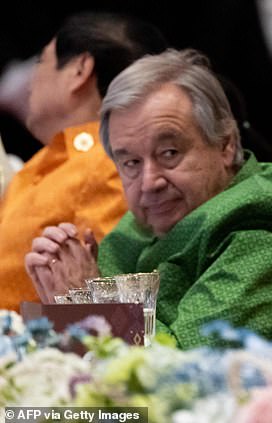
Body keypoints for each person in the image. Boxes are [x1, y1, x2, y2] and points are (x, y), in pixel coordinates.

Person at [25, 49, 272, 349]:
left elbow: (189, 371)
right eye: (131, 163)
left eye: (169, 154)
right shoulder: (141, 225)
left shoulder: (261, 223)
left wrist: (90, 300)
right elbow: (80, 363)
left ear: (226, 145)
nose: (150, 182)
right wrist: (61, 302)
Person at [0, 12, 168, 312]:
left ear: (80, 69)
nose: (32, 80)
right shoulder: (46, 163)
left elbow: (115, 314)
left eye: (41, 63)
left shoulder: (112, 166)